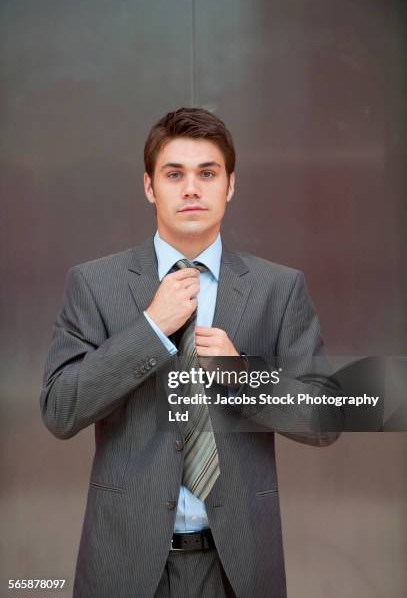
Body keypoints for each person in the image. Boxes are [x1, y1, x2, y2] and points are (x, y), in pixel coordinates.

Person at [40, 107, 341, 598]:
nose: (192, 188)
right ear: (149, 186)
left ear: (230, 185)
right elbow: (60, 410)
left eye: (208, 173)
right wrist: (151, 330)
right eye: (174, 173)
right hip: (124, 564)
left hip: (238, 567)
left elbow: (327, 420)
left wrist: (242, 376)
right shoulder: (95, 284)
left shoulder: (278, 289)